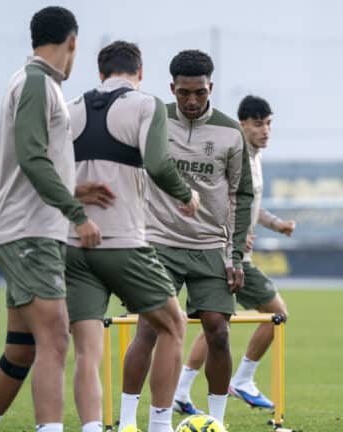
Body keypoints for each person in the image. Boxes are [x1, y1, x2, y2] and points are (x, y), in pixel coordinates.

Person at [0, 7, 101, 432]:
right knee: (57, 338)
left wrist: (73, 188)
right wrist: (77, 214)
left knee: (22, 349)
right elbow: (32, 156)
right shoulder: (38, 83)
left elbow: (32, 162)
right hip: (30, 231)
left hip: (28, 228)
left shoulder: (33, 82)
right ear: (73, 42)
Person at [64, 40, 200, 432]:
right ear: (139, 73)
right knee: (173, 325)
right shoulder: (146, 104)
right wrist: (186, 194)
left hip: (74, 245)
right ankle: (159, 425)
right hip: (122, 242)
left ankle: (93, 427)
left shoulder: (70, 108)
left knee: (87, 351)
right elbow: (157, 163)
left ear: (100, 73)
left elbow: (50, 175)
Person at [117, 49, 254, 430]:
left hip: (210, 246)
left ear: (211, 87)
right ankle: (128, 421)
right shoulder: (152, 119)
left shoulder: (231, 132)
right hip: (157, 242)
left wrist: (236, 255)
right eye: (183, 93)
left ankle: (216, 421)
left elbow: (242, 196)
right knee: (148, 328)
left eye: (200, 92)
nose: (192, 101)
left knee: (219, 331)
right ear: (171, 88)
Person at [173, 95, 295, 413]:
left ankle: (181, 391)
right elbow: (219, 200)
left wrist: (275, 224)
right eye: (258, 124)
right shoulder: (234, 153)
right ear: (242, 125)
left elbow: (250, 204)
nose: (265, 130)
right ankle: (242, 380)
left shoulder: (255, 157)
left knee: (215, 324)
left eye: (269, 123)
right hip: (230, 255)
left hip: (233, 251)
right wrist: (236, 238)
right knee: (277, 314)